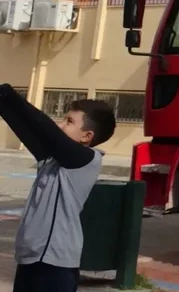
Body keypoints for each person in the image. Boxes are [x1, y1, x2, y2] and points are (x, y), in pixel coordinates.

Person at [0, 84, 116, 291]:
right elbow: (26, 129)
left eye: (69, 122)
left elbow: (48, 132)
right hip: (31, 258)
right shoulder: (52, 158)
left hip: (55, 264)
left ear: (86, 136)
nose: (61, 125)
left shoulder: (87, 160)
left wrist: (7, 93)